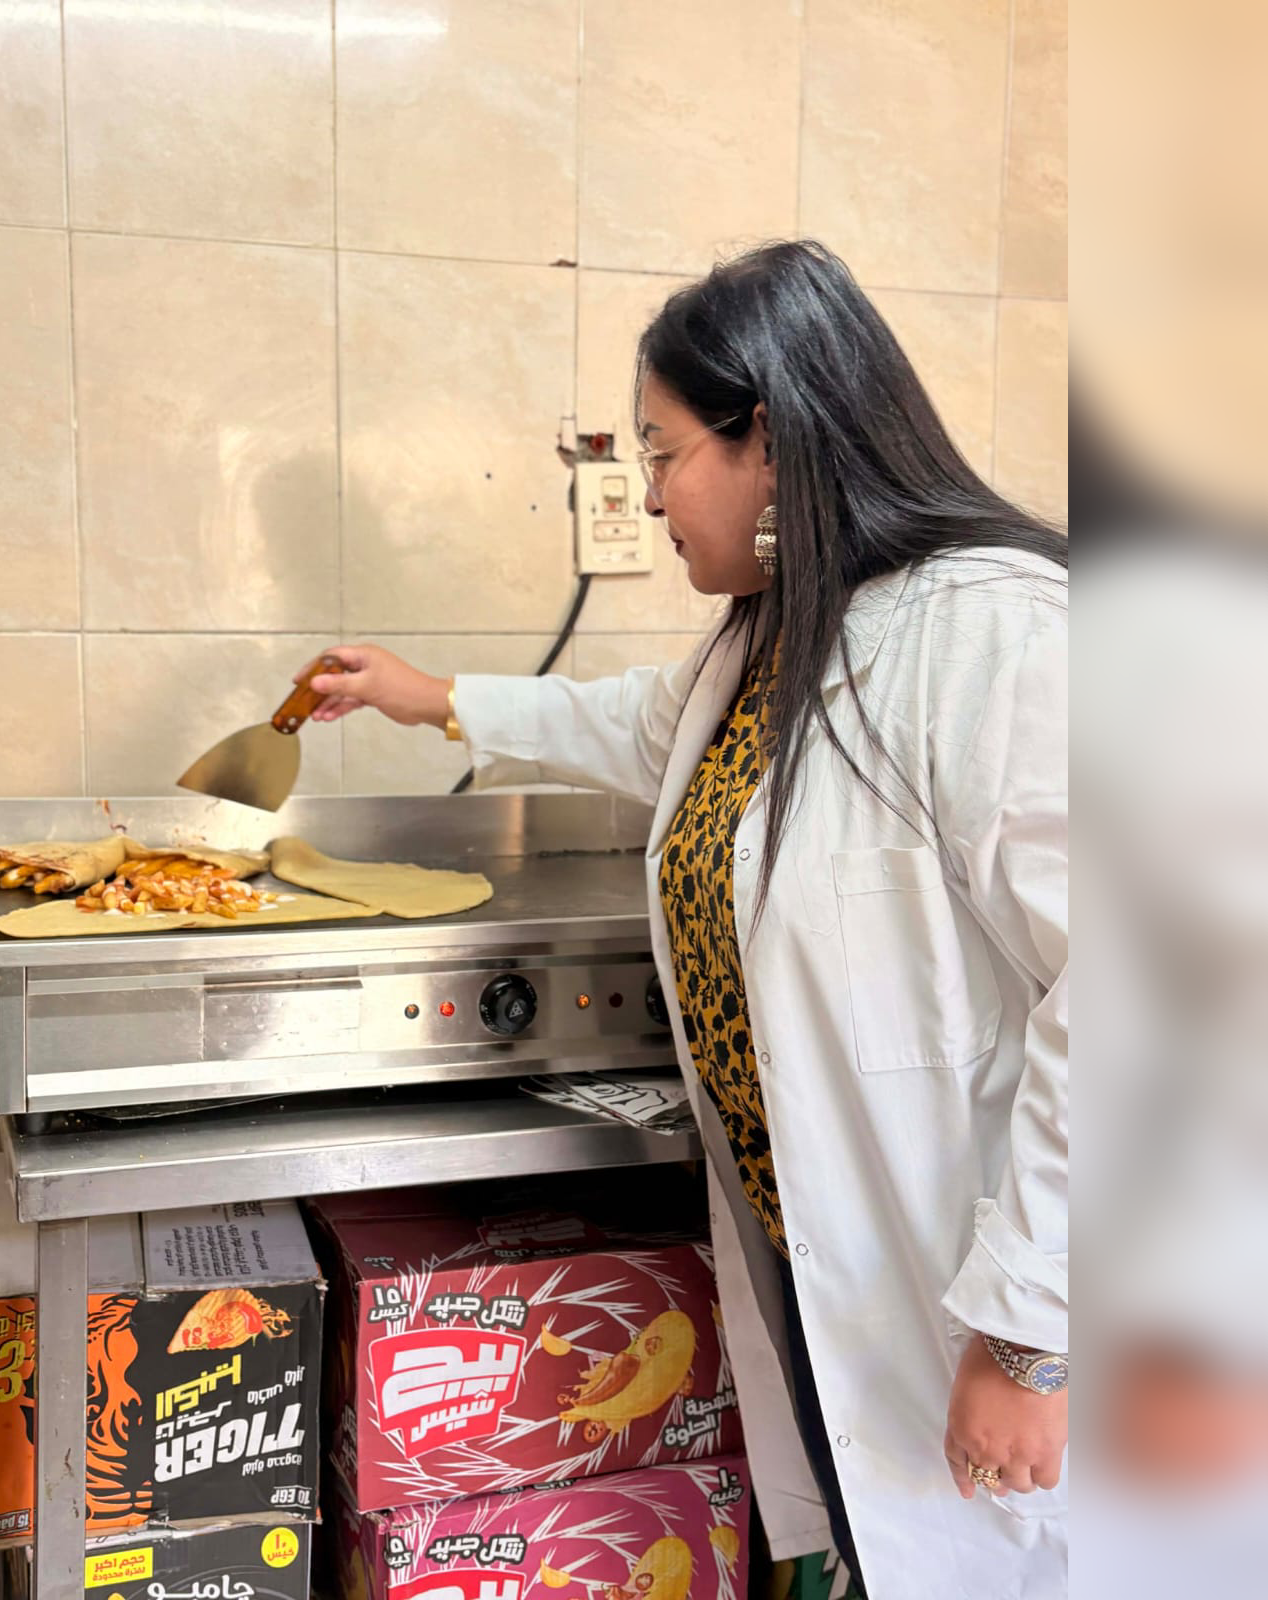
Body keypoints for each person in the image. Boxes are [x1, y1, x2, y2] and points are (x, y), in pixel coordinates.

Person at [300, 240, 1067, 1600]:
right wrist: (429, 697)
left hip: (1003, 1301)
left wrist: (1030, 1336)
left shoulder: (999, 636)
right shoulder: (775, 634)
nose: (649, 494)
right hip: (834, 1268)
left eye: (662, 454)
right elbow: (632, 724)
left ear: (766, 438)